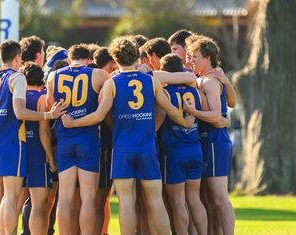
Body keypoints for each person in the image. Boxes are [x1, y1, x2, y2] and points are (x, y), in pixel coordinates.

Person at [61, 36, 195, 235]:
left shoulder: (112, 83)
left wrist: (73, 122)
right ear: (137, 57)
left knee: (126, 203)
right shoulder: (151, 81)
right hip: (147, 148)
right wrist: (186, 122)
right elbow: (170, 109)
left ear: (115, 60)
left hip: (123, 149)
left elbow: (98, 116)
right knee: (156, 201)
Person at [0, 39, 66, 235]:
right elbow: (20, 112)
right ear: (17, 57)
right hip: (12, 142)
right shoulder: (17, 77)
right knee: (12, 197)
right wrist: (49, 115)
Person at [46, 43, 110, 235]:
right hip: (87, 140)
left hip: (64, 140)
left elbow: (51, 108)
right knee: (88, 197)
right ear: (89, 59)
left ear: (68, 59)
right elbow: (111, 95)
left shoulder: (53, 76)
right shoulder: (97, 74)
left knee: (64, 197)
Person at [184, 37, 235, 235]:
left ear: (208, 57)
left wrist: (192, 111)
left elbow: (216, 116)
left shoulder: (210, 82)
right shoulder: (201, 79)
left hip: (215, 141)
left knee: (219, 197)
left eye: (195, 57)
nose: (191, 61)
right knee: (209, 198)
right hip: (206, 140)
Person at [158, 54, 208, 235]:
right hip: (194, 148)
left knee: (178, 202)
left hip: (173, 151)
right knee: (194, 199)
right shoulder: (195, 91)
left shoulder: (164, 93)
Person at [20, 62, 55, 235]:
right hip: (36, 153)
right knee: (38, 204)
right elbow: (44, 132)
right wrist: (50, 157)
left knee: (13, 201)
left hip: (18, 150)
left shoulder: (17, 96)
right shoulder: (42, 96)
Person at [93, 47, 117, 235]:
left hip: (87, 146)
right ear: (110, 63)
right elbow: (104, 116)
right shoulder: (106, 82)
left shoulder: (89, 79)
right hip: (102, 147)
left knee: (99, 199)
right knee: (100, 199)